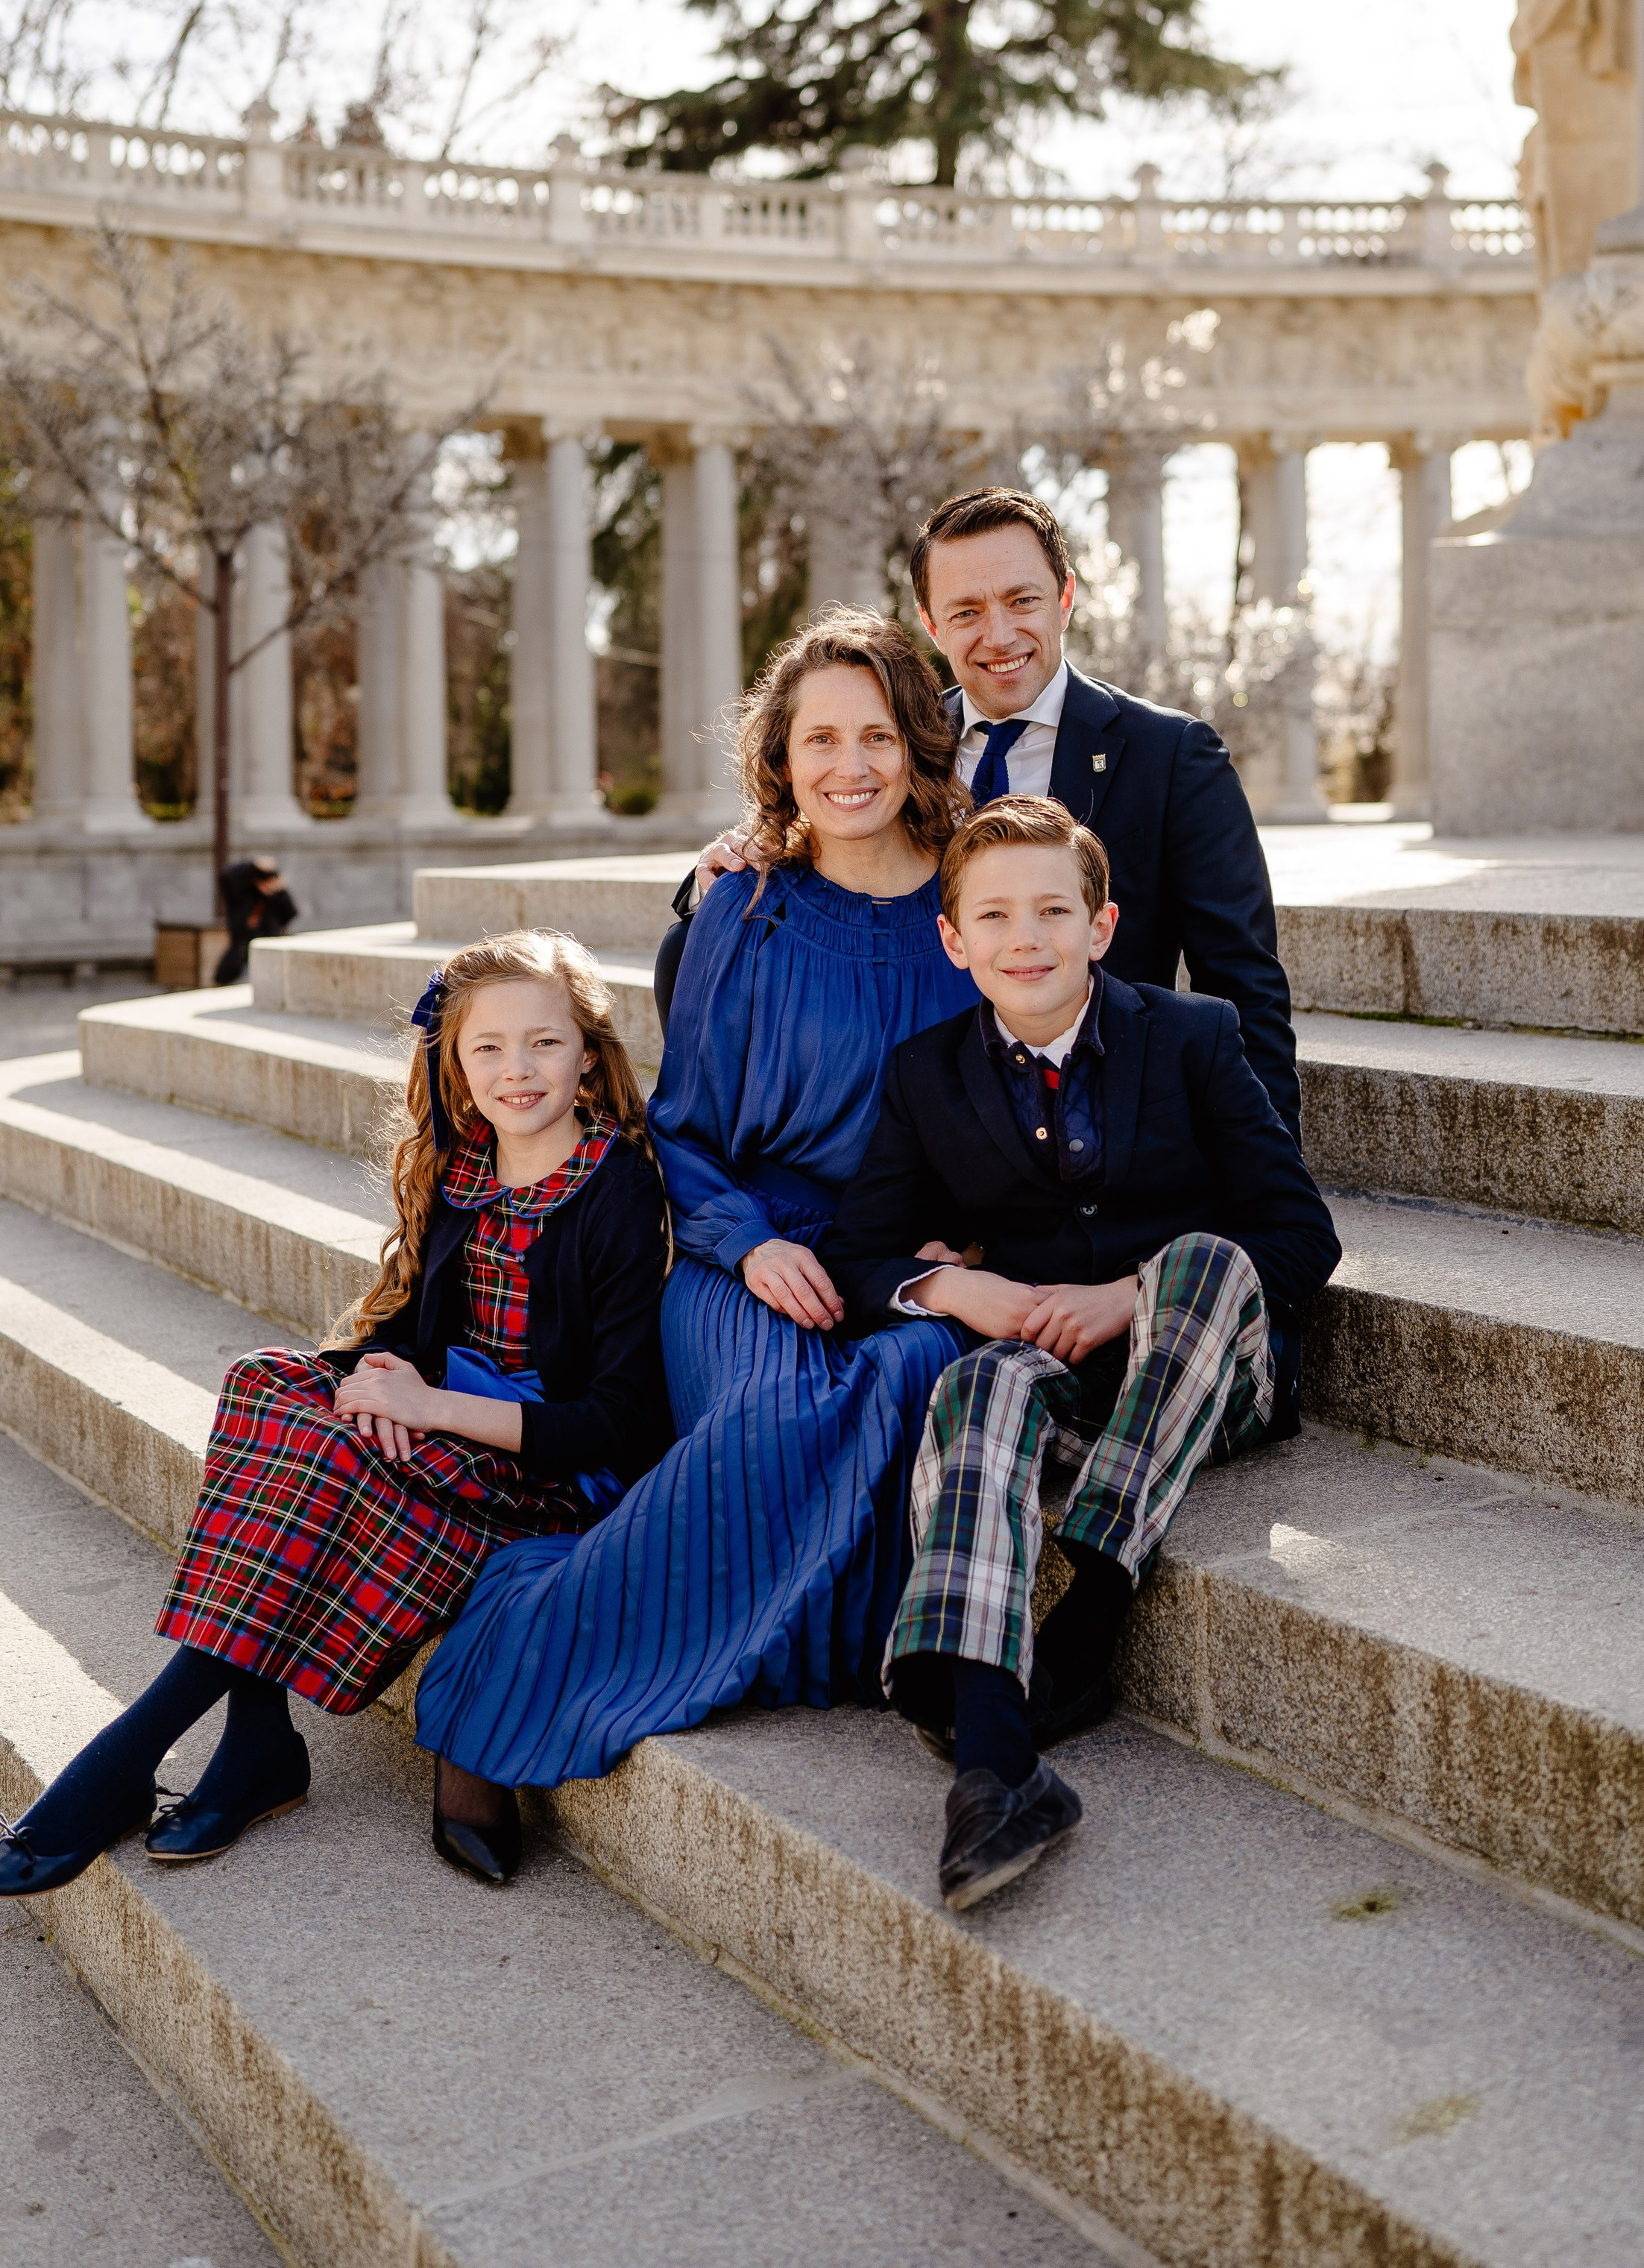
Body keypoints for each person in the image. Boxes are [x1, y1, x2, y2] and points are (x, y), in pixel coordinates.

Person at [411, 609, 980, 1827]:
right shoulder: (745, 909)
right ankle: (501, 1684)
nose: (851, 766)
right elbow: (682, 1126)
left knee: (918, 1364)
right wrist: (751, 1244)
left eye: (878, 734)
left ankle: (554, 1601)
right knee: (778, 1408)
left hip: (904, 1258)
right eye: (820, 738)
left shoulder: (970, 909)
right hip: (742, 1239)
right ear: (781, 759)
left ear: (921, 746)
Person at [0, 932, 670, 1900]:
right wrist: (380, 1378)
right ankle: (254, 1742)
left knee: (321, 1457)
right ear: (456, 1069)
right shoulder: (461, 1172)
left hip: (543, 1479)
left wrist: (428, 1406)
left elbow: (622, 1425)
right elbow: (422, 1335)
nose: (519, 1070)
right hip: (448, 1432)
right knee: (270, 1384)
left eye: (544, 1043)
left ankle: (129, 1759)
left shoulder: (616, 1191)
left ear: (589, 1051)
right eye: (489, 1048)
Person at [658, 483, 1306, 1420]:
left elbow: (1245, 990)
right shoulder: (909, 740)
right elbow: (823, 827)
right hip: (919, 1175)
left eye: (1021, 601)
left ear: (1066, 597)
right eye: (964, 610)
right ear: (929, 622)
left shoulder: (1171, 759)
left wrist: (1257, 1208)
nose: (997, 633)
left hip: (1093, 1160)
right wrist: (719, 874)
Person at [822, 793, 1340, 1911]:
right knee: (977, 1381)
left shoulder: (1193, 1036)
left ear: (1100, 927)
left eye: (1054, 911)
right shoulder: (927, 1075)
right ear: (954, 941)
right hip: (1063, 1383)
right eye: (996, 917)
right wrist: (969, 1288)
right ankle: (995, 1762)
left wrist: (1125, 1295)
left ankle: (1093, 1614)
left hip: (1208, 1365)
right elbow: (859, 1253)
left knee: (1200, 1259)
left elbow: (1304, 1237)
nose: (1027, 938)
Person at [214, 856, 298, 986]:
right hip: (242, 956)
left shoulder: (276, 899)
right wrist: (253, 866)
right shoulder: (243, 896)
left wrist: (281, 891)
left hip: (270, 956)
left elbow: (291, 913)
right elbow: (226, 876)